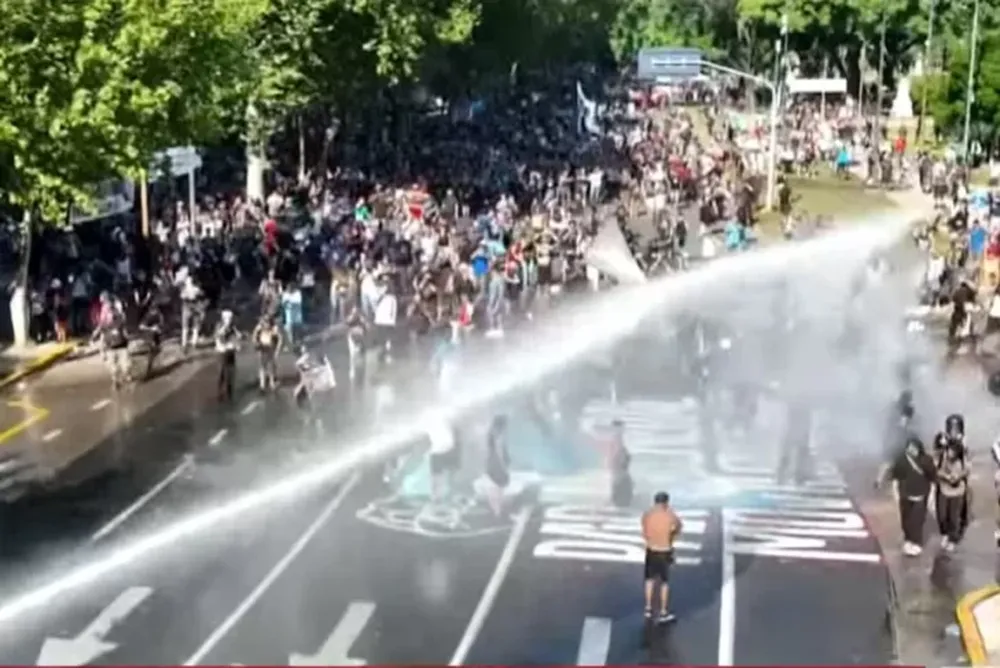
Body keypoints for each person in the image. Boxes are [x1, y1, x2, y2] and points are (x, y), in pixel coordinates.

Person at [880, 435, 936, 556]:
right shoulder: (902, 460)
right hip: (905, 495)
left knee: (917, 521)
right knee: (905, 520)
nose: (912, 450)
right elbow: (895, 477)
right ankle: (908, 540)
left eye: (914, 447)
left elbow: (932, 479)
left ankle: (916, 543)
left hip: (921, 495)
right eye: (910, 447)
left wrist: (931, 496)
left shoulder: (926, 460)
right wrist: (895, 493)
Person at [641, 492, 681, 624]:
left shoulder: (648, 514)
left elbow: (644, 530)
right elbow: (678, 527)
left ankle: (648, 608)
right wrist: (671, 538)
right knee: (664, 582)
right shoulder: (670, 515)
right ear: (666, 502)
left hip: (651, 549)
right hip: (665, 550)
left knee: (649, 580)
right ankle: (663, 611)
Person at [936, 439, 970, 552]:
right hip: (944, 489)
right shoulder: (942, 457)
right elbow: (937, 470)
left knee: (954, 517)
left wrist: (958, 476)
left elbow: (967, 470)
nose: (950, 453)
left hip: (957, 492)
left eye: (953, 451)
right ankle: (945, 534)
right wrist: (946, 476)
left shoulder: (962, 459)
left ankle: (952, 539)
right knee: (942, 515)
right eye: (949, 450)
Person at [213, 310, 241, 402]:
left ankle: (230, 392)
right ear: (223, 318)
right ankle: (219, 392)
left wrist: (237, 344)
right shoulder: (219, 325)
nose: (229, 320)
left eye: (230, 318)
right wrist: (224, 327)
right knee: (221, 372)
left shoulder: (232, 327)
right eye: (227, 318)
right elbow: (217, 336)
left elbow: (238, 335)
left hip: (230, 351)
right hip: (221, 352)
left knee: (230, 372)